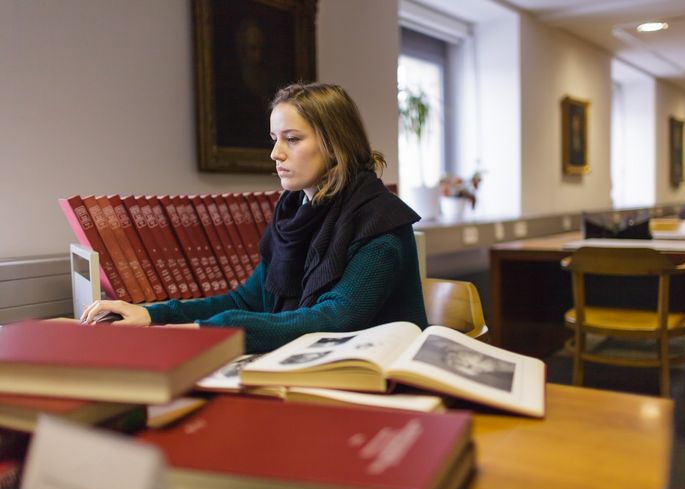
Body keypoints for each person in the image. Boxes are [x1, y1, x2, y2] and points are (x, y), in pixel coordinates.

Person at [81, 82, 428, 353]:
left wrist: (212, 331)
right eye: (275, 139)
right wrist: (153, 314)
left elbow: (337, 317)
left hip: (379, 383)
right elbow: (244, 300)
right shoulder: (294, 214)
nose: (275, 153)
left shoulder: (381, 224)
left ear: (335, 144)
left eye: (292, 139)